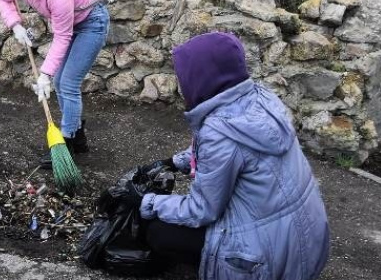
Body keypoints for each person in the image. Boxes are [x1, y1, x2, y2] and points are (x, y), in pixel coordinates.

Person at [139, 32, 330, 279]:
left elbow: (201, 210)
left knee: (159, 232)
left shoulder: (218, 132)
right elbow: (231, 152)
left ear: (201, 76)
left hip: (265, 261)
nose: (181, 84)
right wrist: (175, 162)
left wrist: (148, 202)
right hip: (306, 243)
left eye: (184, 76)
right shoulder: (262, 99)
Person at [0, 0, 110, 168]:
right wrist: (15, 25)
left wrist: (44, 75)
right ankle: (78, 138)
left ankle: (67, 143)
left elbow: (62, 37)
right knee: (60, 82)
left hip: (92, 24)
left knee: (67, 83)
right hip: (71, 24)